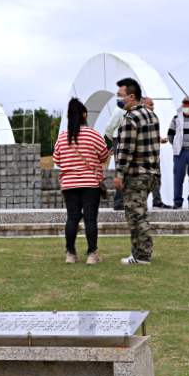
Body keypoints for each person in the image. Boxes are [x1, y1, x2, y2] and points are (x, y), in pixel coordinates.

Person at [53, 98, 109, 265]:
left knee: (72, 218)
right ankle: (92, 254)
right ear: (84, 114)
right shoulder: (93, 134)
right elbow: (104, 155)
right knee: (90, 219)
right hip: (90, 183)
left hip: (69, 184)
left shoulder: (63, 137)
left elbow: (57, 160)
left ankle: (70, 253)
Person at [113, 77, 161, 266]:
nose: (119, 99)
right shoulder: (152, 116)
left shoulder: (130, 118)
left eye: (120, 96)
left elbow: (125, 149)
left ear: (131, 97)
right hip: (151, 173)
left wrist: (119, 174)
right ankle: (141, 252)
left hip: (136, 174)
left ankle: (142, 255)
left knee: (135, 215)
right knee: (141, 211)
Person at [143, 97, 171, 208]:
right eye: (150, 104)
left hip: (154, 155)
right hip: (144, 155)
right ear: (143, 104)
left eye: (153, 104)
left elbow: (152, 134)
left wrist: (160, 139)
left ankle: (157, 200)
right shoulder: (139, 119)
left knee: (157, 178)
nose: (152, 106)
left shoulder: (152, 118)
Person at [104, 101, 125, 210]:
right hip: (121, 139)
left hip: (121, 139)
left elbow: (109, 129)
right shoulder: (120, 109)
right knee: (121, 171)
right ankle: (118, 201)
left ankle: (121, 201)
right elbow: (109, 128)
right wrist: (114, 141)